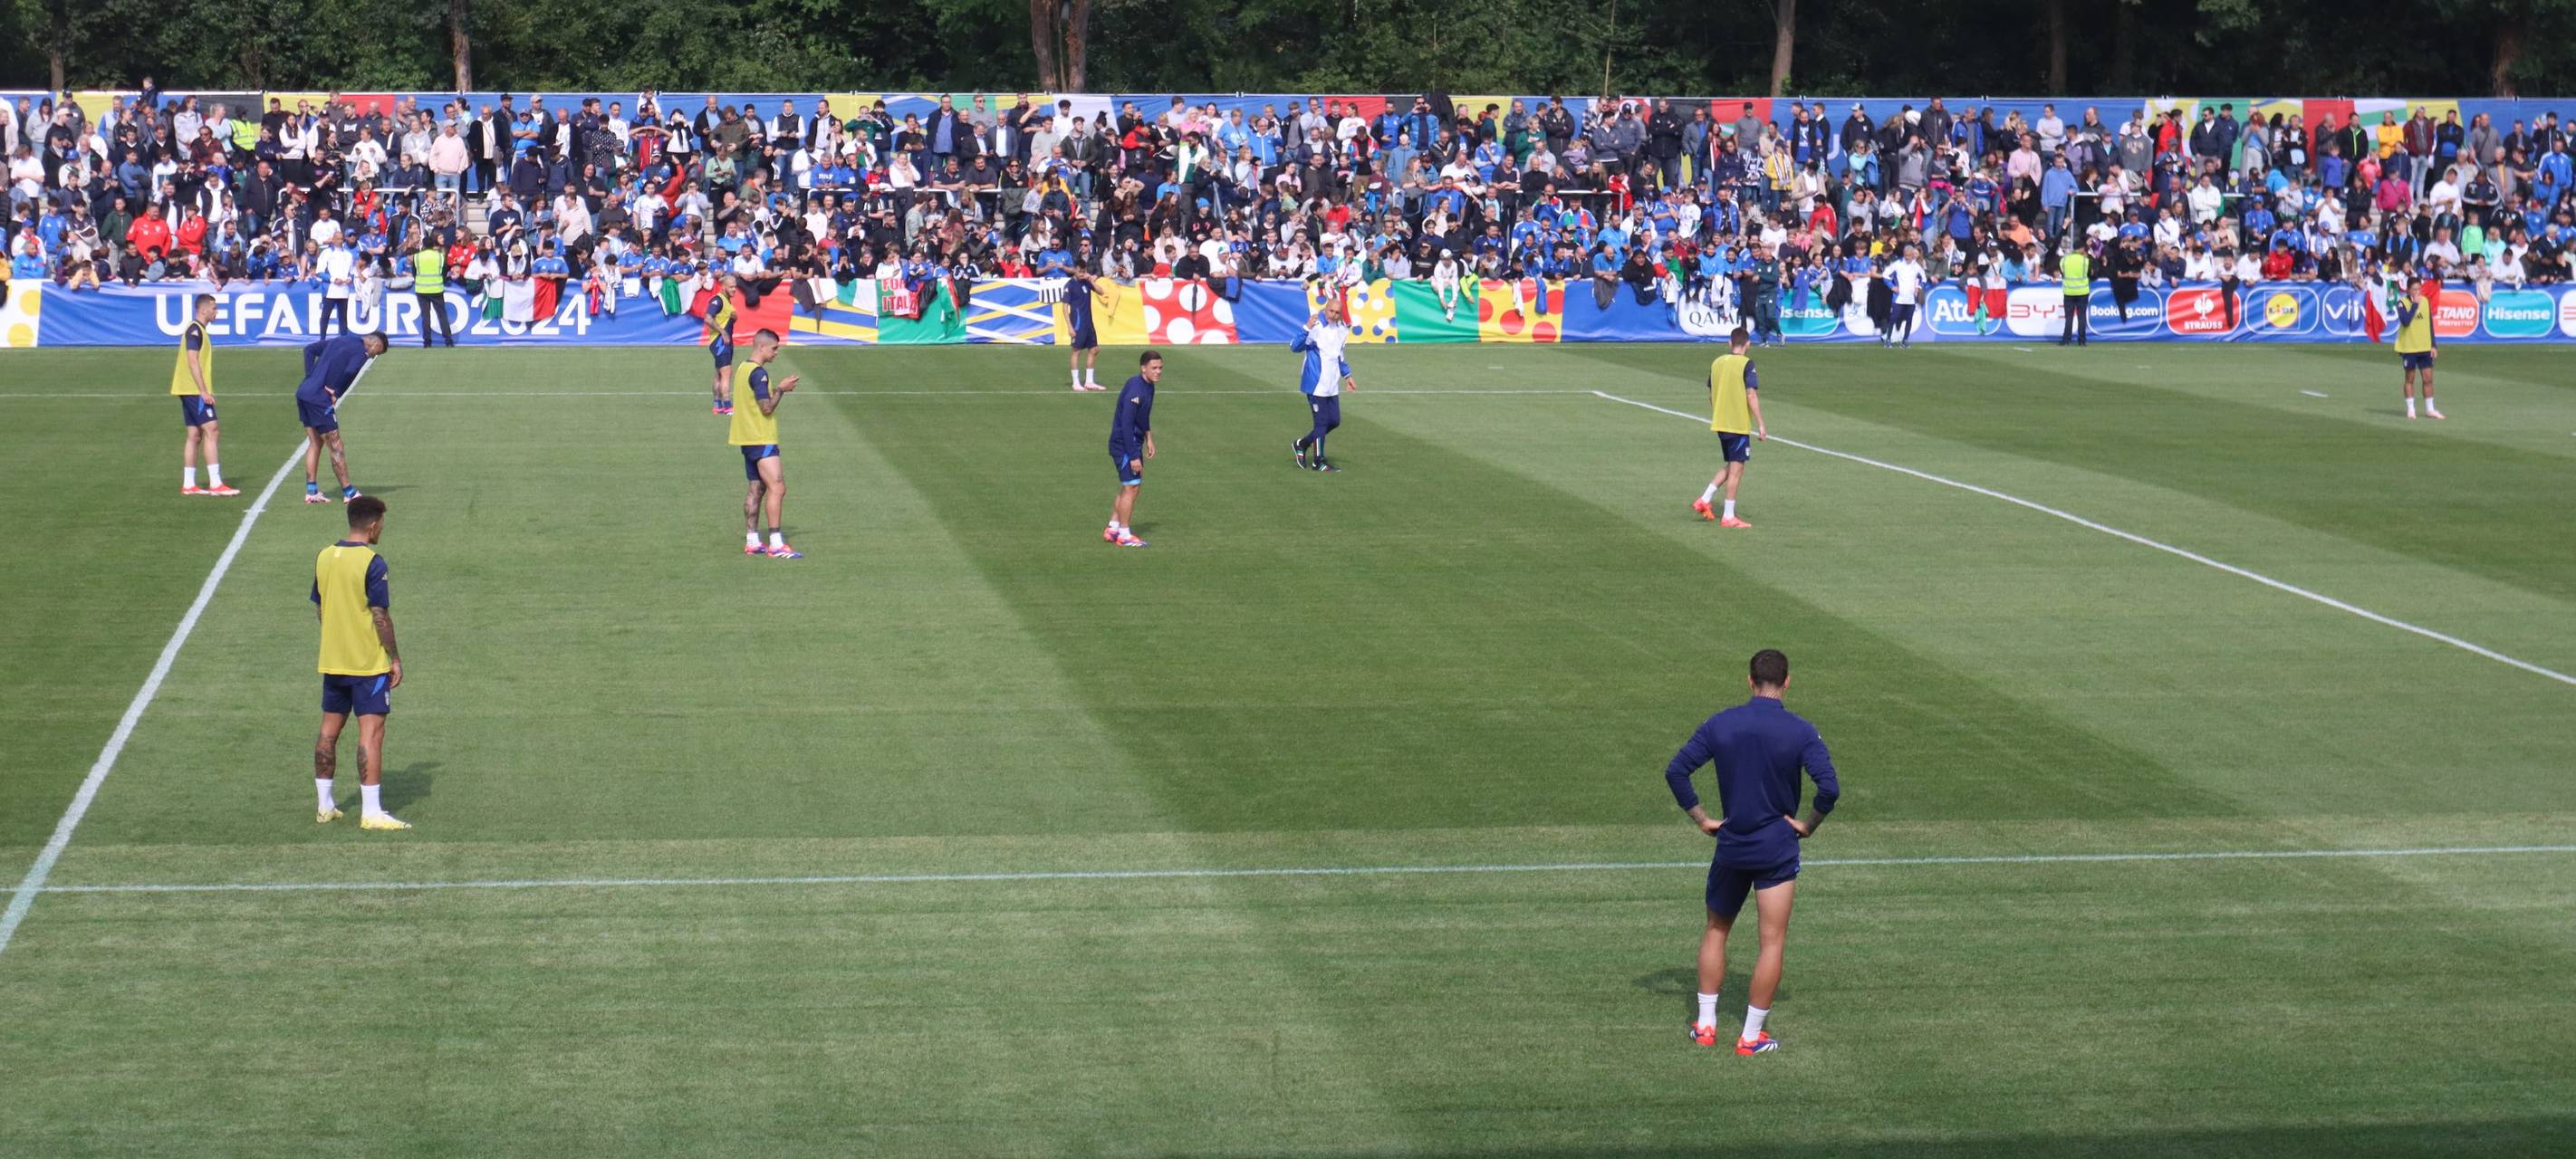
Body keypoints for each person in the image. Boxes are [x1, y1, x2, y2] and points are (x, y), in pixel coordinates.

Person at [1662, 648, 1839, 1055]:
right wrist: (1809, 824)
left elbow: (1676, 771)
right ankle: (1750, 1036)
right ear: (1788, 681)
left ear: (1750, 680)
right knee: (1771, 941)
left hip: (1732, 845)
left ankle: (1706, 1027)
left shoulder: (1721, 724)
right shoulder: (1800, 731)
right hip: (1776, 849)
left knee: (1716, 929)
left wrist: (1701, 818)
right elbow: (1829, 788)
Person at [312, 494, 409, 831]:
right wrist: (394, 657)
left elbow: (321, 607)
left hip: (332, 661)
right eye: (381, 523)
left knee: (328, 732)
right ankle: (371, 813)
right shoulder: (373, 562)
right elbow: (380, 616)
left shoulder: (325, 556)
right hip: (367, 665)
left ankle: (325, 807)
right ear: (372, 524)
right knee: (372, 734)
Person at [727, 329, 803, 558]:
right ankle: (776, 543)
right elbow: (766, 407)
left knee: (756, 488)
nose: (777, 352)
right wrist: (781, 388)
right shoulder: (759, 374)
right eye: (774, 348)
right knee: (777, 487)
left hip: (746, 439)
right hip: (761, 438)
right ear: (762, 347)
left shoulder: (742, 368)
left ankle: (752, 540)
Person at [296, 331, 388, 503]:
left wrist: (310, 377)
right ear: (375, 345)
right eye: (377, 353)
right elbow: (351, 370)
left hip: (304, 392)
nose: (372, 357)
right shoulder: (362, 352)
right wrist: (336, 392)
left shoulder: (341, 339)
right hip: (318, 399)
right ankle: (349, 492)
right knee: (336, 445)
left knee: (315, 442)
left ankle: (311, 491)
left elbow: (309, 350)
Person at [1693, 327, 1768, 528]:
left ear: (1729, 343)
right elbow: (1751, 394)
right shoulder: (1746, 364)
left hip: (1721, 423)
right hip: (1737, 424)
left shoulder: (1717, 362)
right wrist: (1761, 423)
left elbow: (1710, 393)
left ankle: (1705, 498)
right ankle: (1728, 516)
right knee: (1737, 470)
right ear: (1748, 344)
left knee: (1732, 465)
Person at [172, 293, 238, 497]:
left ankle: (189, 484)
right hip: (193, 389)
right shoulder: (195, 330)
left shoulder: (197, 330)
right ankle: (215, 483)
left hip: (186, 388)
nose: (216, 312)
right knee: (213, 430)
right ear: (203, 310)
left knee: (194, 435)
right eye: (214, 308)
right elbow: (192, 360)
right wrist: (203, 391)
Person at [1290, 296, 1358, 472]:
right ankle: (1318, 461)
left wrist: (1347, 376)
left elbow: (1340, 356)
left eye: (1337, 312)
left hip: (1331, 385)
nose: (1333, 315)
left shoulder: (1342, 330)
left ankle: (1302, 444)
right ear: (1325, 309)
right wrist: (1306, 328)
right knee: (1321, 423)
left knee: (1334, 421)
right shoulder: (1316, 327)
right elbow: (1294, 347)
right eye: (1331, 311)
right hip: (1315, 384)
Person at [1103, 350, 1160, 547]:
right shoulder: (1136, 391)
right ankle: (1125, 535)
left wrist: (1149, 437)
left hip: (1132, 443)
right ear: (1143, 368)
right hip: (1125, 445)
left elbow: (1142, 417)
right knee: (1131, 487)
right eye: (1154, 368)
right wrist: (1134, 455)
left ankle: (1113, 527)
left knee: (1131, 485)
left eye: (1160, 368)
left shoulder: (1147, 386)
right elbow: (1127, 424)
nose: (1158, 371)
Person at [2394, 273, 2444, 419]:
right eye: (2414, 289)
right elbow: (2405, 321)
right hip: (2409, 347)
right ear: (2408, 290)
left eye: (2419, 289)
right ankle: (2411, 408)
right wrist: (2414, 304)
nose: (2417, 292)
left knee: (2428, 379)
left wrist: (2433, 345)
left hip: (2424, 346)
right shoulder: (2402, 303)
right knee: (2410, 378)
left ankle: (2430, 409)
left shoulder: (2426, 302)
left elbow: (2429, 324)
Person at [1063, 265, 1110, 390]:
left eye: (1084, 271)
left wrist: (1091, 280)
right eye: (1080, 271)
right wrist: (1070, 326)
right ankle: (1076, 382)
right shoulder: (1070, 285)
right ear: (1075, 271)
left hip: (1089, 322)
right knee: (1076, 351)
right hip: (1078, 323)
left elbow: (1101, 291)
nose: (1082, 274)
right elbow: (1065, 307)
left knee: (1094, 349)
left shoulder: (1086, 282)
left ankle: (1089, 381)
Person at [413, 235, 455, 348]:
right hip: (436, 289)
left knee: (425, 316)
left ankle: (427, 342)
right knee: (442, 315)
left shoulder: (417, 257)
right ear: (433, 245)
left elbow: (414, 273)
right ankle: (448, 340)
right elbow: (444, 272)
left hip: (421, 290)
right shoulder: (440, 256)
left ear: (424, 245)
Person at [1881, 244, 1926, 348]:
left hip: (1911, 298)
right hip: (1898, 297)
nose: (1908, 257)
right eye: (1906, 255)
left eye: (1910, 255)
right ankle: (1888, 340)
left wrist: (1918, 287)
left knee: (1909, 319)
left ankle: (1905, 340)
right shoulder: (1897, 264)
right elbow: (1885, 275)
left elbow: (1924, 279)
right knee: (1893, 318)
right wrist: (1891, 287)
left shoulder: (1916, 266)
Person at [705, 279, 738, 415]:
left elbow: (724, 318)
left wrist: (733, 318)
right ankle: (728, 406)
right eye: (731, 287)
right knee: (726, 373)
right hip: (720, 342)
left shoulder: (726, 301)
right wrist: (722, 332)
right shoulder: (718, 300)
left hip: (722, 342)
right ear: (723, 287)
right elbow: (708, 318)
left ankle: (717, 405)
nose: (734, 289)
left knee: (719, 373)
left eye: (735, 287)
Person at [2057, 243, 2091, 347]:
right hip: (2083, 292)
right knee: (2081, 316)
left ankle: (2066, 340)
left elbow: (2062, 274)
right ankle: (2082, 340)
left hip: (2069, 292)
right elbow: (2089, 274)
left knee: (2069, 317)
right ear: (2081, 249)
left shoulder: (2064, 260)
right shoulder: (2086, 261)